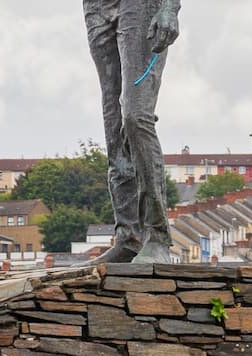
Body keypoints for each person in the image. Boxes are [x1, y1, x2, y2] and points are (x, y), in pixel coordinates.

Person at [79, 0, 182, 265]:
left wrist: (170, 7)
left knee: (135, 116)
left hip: (142, 5)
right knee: (113, 122)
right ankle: (128, 237)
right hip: (97, 7)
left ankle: (157, 237)